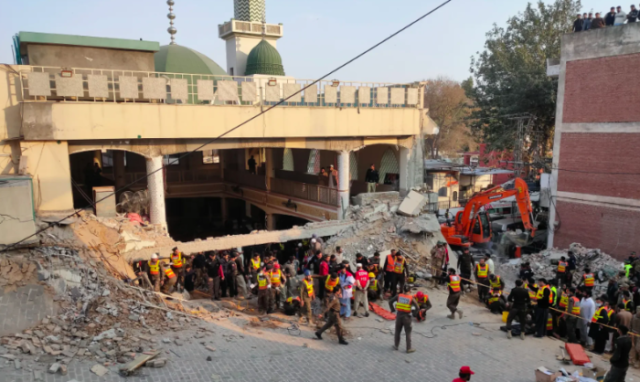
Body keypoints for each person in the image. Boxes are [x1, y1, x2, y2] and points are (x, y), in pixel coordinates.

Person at [389, 284, 418, 353]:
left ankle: (396, 345)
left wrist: (392, 309)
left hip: (399, 316)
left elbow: (390, 302)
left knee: (397, 331)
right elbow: (417, 307)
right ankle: (408, 348)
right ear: (410, 290)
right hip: (407, 317)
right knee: (408, 332)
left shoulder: (399, 296)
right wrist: (414, 314)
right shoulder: (411, 298)